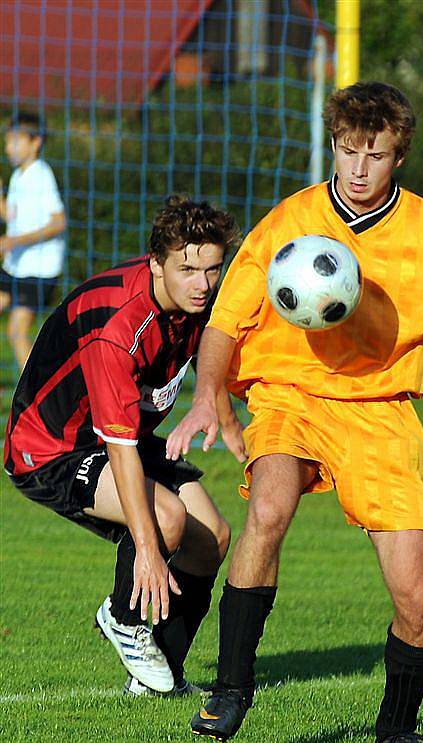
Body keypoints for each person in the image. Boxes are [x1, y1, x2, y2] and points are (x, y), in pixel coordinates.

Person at [167, 82, 423, 743]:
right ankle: (232, 685)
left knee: (416, 593)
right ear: (333, 145)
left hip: (382, 413)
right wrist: (209, 393)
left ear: (399, 158)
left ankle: (396, 726)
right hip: (289, 393)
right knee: (268, 505)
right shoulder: (289, 223)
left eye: (375, 155)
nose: (357, 169)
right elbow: (223, 322)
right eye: (346, 151)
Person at [4, 195, 247, 696]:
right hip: (50, 449)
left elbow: (209, 352)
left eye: (212, 269)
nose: (202, 284)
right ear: (156, 263)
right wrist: (149, 553)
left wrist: (224, 416)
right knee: (166, 521)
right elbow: (118, 449)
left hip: (117, 436)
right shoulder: (118, 325)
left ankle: (158, 681)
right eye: (188, 269)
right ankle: (122, 617)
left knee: (212, 538)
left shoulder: (194, 300)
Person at [0, 111, 66, 369]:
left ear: (35, 142)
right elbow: (13, 217)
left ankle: (35, 393)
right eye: (7, 141)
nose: (8, 148)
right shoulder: (19, 176)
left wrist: (14, 242)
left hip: (39, 269)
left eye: (15, 141)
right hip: (16, 265)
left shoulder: (41, 174)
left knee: (16, 331)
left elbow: (58, 222)